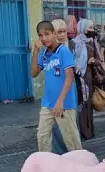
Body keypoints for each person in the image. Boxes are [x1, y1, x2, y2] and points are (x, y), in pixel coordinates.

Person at [31, 21, 83, 153]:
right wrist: (36, 51)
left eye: (47, 34)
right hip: (48, 102)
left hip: (63, 103)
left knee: (71, 140)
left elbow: (70, 77)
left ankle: (81, 166)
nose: (43, 38)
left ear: (54, 34)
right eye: (40, 35)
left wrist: (60, 102)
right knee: (42, 136)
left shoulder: (63, 51)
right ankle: (46, 166)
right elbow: (33, 73)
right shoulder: (43, 53)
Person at [50, 19, 76, 154]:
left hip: (70, 88)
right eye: (57, 32)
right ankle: (58, 152)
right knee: (56, 122)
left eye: (63, 31)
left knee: (70, 121)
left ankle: (72, 152)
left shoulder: (71, 45)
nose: (61, 35)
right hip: (55, 89)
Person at [73, 19, 100, 140]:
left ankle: (88, 132)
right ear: (83, 28)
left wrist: (94, 61)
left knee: (88, 104)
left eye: (93, 27)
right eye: (90, 28)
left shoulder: (93, 42)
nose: (92, 30)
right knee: (81, 104)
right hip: (77, 78)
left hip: (89, 78)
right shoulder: (74, 43)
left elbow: (99, 60)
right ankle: (81, 131)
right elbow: (71, 61)